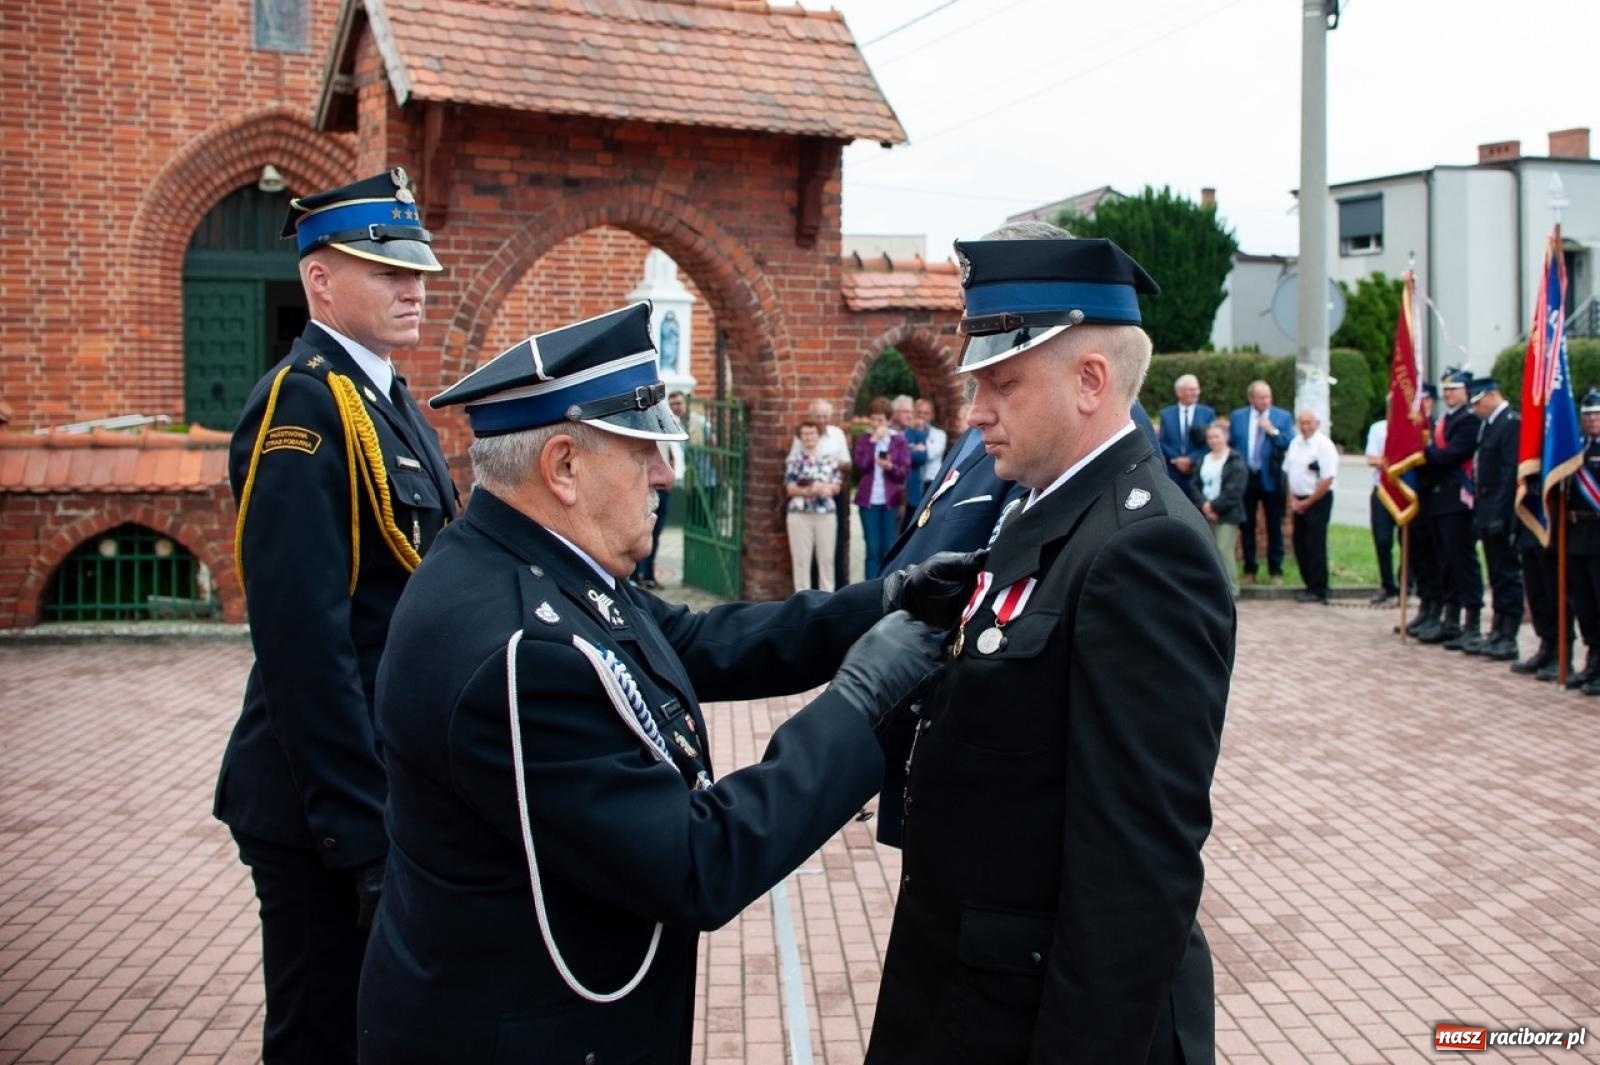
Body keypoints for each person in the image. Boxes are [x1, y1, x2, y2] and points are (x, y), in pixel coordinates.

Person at [357, 303, 982, 1064]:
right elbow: (697, 860)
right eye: (644, 449)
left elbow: (688, 638)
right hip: (524, 1032)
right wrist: (855, 708)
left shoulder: (522, 555)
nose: (666, 472)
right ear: (563, 467)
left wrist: (880, 601)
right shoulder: (520, 652)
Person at [867, 225, 1235, 1065]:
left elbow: (1133, 881)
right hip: (967, 990)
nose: (977, 410)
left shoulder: (1144, 552)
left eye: (1001, 381)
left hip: (1035, 1019)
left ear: (1090, 382)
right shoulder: (1046, 510)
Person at [214, 167, 458, 1064]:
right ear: (320, 279)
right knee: (322, 1035)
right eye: (387, 270)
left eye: (417, 270)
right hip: (318, 805)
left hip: (380, 784)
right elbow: (304, 643)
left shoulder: (392, 401)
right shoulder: (303, 404)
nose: (413, 287)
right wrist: (358, 831)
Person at [1416, 370, 1484, 647]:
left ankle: (1472, 621)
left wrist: (1425, 449)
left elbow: (1449, 456)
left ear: (1466, 392)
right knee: (1444, 561)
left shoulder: (1468, 421)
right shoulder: (1445, 421)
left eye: (1454, 389)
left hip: (1457, 499)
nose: (1448, 394)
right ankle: (1450, 617)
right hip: (1438, 499)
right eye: (1445, 389)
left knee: (1461, 561)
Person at [1464, 377, 1523, 660]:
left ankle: (1509, 634)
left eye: (1478, 403)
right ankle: (1497, 630)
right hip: (1486, 503)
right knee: (1496, 574)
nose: (1475, 409)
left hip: (1501, 506)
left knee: (1507, 572)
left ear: (1491, 396)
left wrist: (1501, 513)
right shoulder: (1488, 425)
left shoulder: (1510, 423)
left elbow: (1509, 473)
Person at [1229, 379, 1293, 585]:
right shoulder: (1238, 417)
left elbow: (1287, 442)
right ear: (1251, 398)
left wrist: (1272, 430)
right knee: (1247, 525)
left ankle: (1276, 570)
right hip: (1246, 477)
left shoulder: (1282, 417)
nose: (1266, 401)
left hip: (1271, 477)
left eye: (1268, 396)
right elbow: (1232, 444)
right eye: (1261, 397)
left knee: (1274, 524)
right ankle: (1250, 568)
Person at [787, 398, 853, 589]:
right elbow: (791, 475)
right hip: (802, 505)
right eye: (818, 416)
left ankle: (830, 594)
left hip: (828, 501)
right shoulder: (800, 441)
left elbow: (845, 465)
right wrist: (809, 488)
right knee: (803, 558)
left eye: (825, 416)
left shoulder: (837, 434)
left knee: (830, 555)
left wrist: (827, 483)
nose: (822, 420)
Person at [1563, 389, 1600, 691]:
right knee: (1585, 604)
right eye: (1587, 413)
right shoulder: (1576, 449)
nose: (1591, 419)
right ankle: (1592, 660)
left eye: (1597, 413)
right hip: (1576, 534)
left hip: (1598, 533)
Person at [1284, 408, 1339, 604]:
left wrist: (1307, 502)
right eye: (1302, 423)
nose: (1305, 427)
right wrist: (1293, 500)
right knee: (1300, 543)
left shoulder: (1324, 445)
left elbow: (1327, 479)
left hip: (1317, 500)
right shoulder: (1295, 443)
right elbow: (1289, 472)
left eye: (1309, 423)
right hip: (1297, 499)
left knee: (1315, 543)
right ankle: (1308, 583)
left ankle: (1319, 587)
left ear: (1317, 424)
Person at [631, 392, 685, 589]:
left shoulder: (665, 425)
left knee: (656, 533)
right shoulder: (641, 425)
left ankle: (649, 574)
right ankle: (636, 576)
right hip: (644, 486)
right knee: (640, 531)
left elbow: (673, 455)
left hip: (662, 490)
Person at [855, 396, 911, 580]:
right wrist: (872, 442)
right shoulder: (865, 439)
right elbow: (861, 465)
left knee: (888, 547)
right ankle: (867, 590)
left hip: (890, 500)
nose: (876, 423)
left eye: (880, 420)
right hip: (868, 501)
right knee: (872, 548)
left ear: (888, 420)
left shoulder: (898, 441)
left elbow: (903, 471)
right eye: (873, 419)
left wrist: (890, 466)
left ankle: (885, 587)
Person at [1188, 420, 1246, 598]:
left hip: (1227, 515)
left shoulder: (1235, 461)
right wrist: (1204, 505)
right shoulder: (1203, 460)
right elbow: (1194, 485)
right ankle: (1213, 590)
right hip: (1205, 513)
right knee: (1208, 551)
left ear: (1225, 437)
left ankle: (1231, 590)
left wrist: (1215, 507)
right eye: (1210, 437)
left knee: (1223, 550)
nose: (1213, 440)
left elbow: (1234, 490)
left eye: (1217, 437)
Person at [1363, 416, 1401, 604]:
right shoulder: (1378, 428)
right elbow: (1371, 458)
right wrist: (1393, 462)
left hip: (1405, 492)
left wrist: (1388, 462)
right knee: (1382, 540)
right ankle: (1387, 584)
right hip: (1382, 489)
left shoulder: (1411, 427)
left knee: (1408, 541)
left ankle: (1406, 583)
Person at [1159, 373, 1215, 493]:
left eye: (1197, 389)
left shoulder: (1208, 414)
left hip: (1198, 471)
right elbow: (1162, 442)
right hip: (1173, 472)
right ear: (1179, 392)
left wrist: (1190, 459)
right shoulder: (1166, 414)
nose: (1196, 392)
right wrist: (1177, 459)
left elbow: (1210, 443)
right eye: (1191, 389)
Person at [904, 396, 948, 530]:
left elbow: (930, 453)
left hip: (930, 483)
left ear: (932, 415)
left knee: (926, 524)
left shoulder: (939, 434)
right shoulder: (906, 433)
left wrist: (915, 448)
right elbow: (904, 455)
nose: (922, 416)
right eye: (919, 412)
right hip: (910, 484)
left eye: (926, 413)